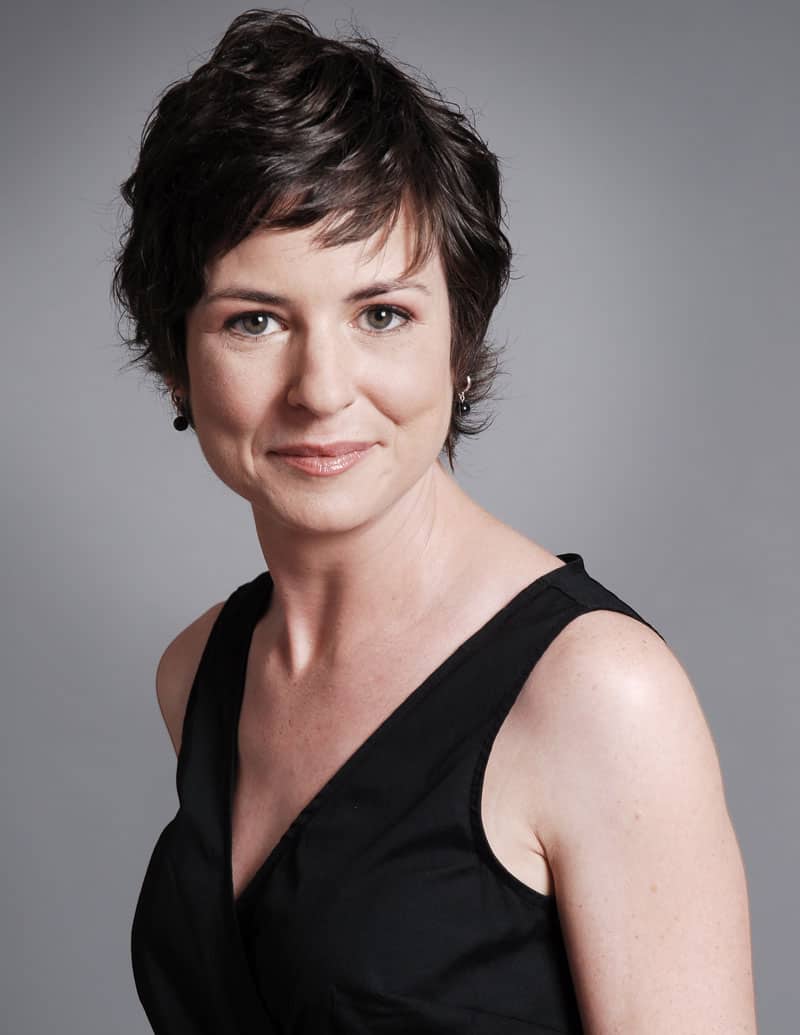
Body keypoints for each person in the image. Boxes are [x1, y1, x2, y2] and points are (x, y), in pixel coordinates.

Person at [113, 9, 757, 1034]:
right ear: (175, 359)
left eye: (382, 314)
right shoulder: (197, 673)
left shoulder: (598, 694)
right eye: (255, 320)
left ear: (460, 344)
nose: (322, 389)